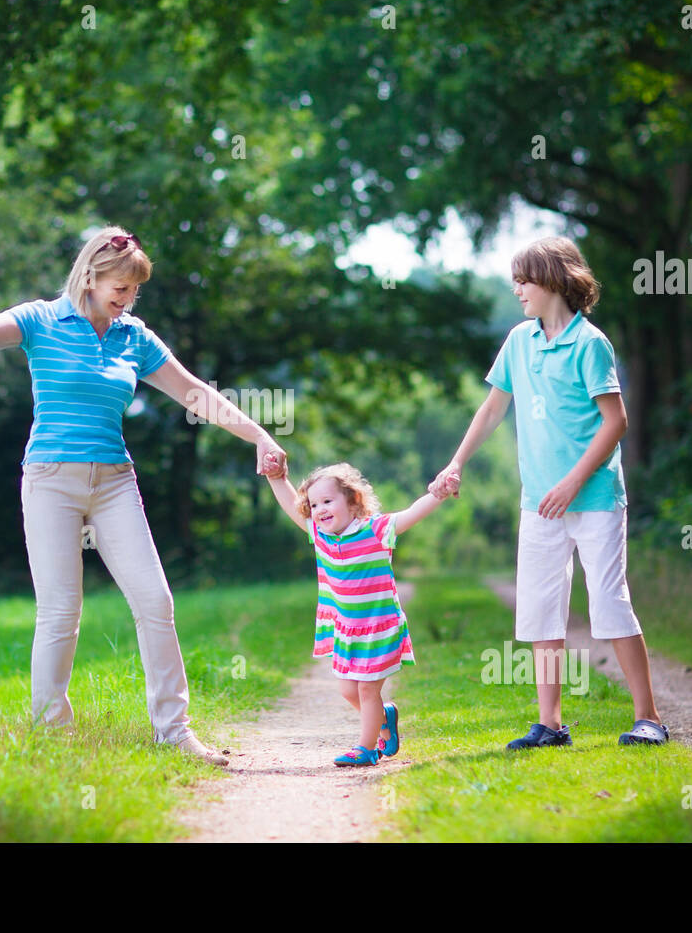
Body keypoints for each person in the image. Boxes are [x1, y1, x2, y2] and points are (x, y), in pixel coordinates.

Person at [0, 225, 288, 766]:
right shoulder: (41, 319)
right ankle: (52, 737)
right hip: (50, 479)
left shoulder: (134, 336)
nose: (129, 300)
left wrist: (261, 435)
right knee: (61, 610)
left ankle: (175, 732)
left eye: (135, 291)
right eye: (121, 288)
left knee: (155, 601)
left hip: (115, 481)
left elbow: (196, 395)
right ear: (90, 275)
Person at [429, 235, 667, 749]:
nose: (517, 289)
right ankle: (551, 725)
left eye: (524, 279)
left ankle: (648, 717)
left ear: (555, 281)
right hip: (538, 503)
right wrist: (456, 462)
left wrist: (573, 480)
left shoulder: (590, 344)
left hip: (596, 498)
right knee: (542, 609)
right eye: (514, 280)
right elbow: (492, 409)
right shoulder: (519, 340)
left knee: (609, 603)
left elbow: (616, 421)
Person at [261, 456, 443, 766]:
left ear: (353, 501)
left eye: (328, 501)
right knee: (348, 691)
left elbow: (411, 514)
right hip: (348, 630)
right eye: (314, 505)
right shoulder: (321, 536)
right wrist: (275, 477)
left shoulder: (376, 530)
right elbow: (291, 505)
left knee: (367, 690)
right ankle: (384, 720)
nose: (319, 510)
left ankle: (367, 747)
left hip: (380, 628)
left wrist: (438, 493)